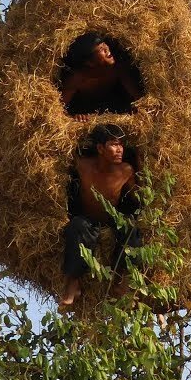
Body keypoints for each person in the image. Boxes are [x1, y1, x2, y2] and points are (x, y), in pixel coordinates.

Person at [59, 124, 141, 309]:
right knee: (76, 226)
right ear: (100, 148)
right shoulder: (83, 165)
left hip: (113, 220)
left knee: (132, 229)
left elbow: (137, 198)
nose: (120, 149)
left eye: (121, 145)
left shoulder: (126, 171)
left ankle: (124, 282)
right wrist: (80, 123)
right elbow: (61, 149)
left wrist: (141, 161)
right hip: (87, 219)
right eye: (114, 144)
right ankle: (73, 284)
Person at [57, 32, 144, 117]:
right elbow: (59, 110)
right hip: (86, 108)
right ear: (89, 62)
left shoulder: (118, 68)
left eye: (104, 44)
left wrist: (140, 107)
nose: (107, 49)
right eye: (101, 49)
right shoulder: (77, 79)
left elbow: (138, 97)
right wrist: (74, 116)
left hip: (114, 103)